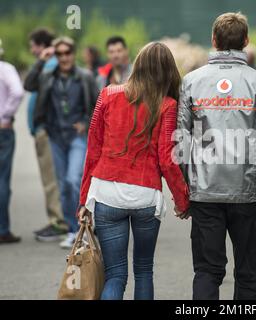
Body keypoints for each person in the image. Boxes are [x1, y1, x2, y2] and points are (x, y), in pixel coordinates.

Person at [177, 12, 256, 300]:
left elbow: (181, 140)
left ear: (213, 40)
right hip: (247, 193)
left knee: (207, 271)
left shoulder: (191, 81)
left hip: (205, 193)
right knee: (247, 273)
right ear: (246, 42)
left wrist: (183, 190)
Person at [77, 42, 190, 300]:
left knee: (115, 274)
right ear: (168, 71)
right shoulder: (168, 104)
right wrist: (183, 201)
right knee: (143, 271)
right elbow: (167, 160)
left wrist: (83, 200)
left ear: (137, 64)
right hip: (145, 196)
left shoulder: (108, 94)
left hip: (106, 193)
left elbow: (92, 152)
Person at [24, 36, 99, 248]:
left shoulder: (85, 77)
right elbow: (28, 85)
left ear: (73, 54)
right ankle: (72, 229)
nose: (64, 57)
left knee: (73, 180)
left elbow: (98, 104)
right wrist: (41, 59)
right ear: (55, 56)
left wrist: (86, 122)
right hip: (55, 136)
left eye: (67, 53)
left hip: (77, 137)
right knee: (62, 186)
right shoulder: (48, 76)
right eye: (59, 54)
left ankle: (82, 226)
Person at [25, 28, 68, 242]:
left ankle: (59, 222)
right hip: (46, 130)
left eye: (33, 45)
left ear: (42, 45)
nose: (32, 49)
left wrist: (42, 125)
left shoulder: (51, 65)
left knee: (52, 179)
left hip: (48, 130)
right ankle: (58, 219)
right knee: (54, 178)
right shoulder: (49, 65)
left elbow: (28, 85)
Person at [0, 39, 25, 244]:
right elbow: (17, 92)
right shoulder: (5, 68)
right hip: (3, 128)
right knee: (2, 179)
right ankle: (2, 229)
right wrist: (5, 115)